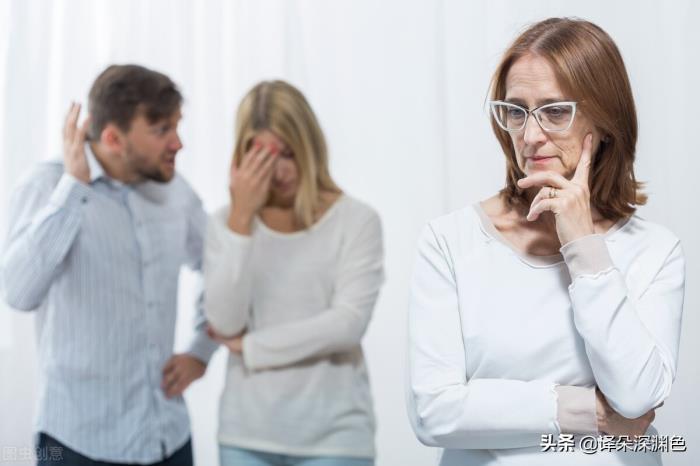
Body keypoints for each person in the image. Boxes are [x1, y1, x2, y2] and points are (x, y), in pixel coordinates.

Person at [406, 17, 685, 466]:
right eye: (516, 111)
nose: (530, 135)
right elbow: (433, 412)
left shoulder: (655, 250)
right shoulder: (450, 241)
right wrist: (585, 411)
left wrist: (584, 247)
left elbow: (636, 397)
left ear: (606, 120)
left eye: (555, 111)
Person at [1, 64, 218, 466]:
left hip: (167, 438)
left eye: (176, 126)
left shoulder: (175, 193)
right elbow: (18, 292)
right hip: (77, 445)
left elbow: (218, 267)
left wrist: (201, 351)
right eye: (162, 130)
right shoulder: (46, 186)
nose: (178, 143)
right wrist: (73, 189)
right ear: (114, 138)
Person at [205, 80, 383, 466]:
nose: (280, 171)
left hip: (335, 439)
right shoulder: (225, 224)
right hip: (245, 436)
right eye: (263, 156)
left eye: (288, 153)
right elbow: (223, 322)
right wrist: (241, 221)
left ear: (309, 145)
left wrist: (251, 347)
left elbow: (347, 324)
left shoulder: (356, 221)